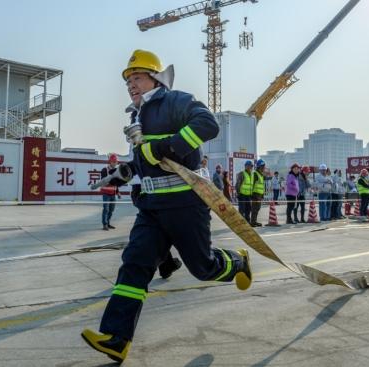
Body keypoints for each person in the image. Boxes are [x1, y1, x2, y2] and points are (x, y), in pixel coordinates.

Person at [82, 50, 252, 363]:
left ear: (156, 77)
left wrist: (163, 147)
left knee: (203, 269)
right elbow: (142, 161)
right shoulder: (136, 116)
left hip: (186, 204)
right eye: (128, 80)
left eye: (137, 77)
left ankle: (237, 263)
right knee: (134, 264)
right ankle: (117, 338)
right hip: (151, 208)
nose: (130, 84)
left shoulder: (176, 101)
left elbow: (208, 125)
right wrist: (120, 174)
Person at [129, 175, 183, 280]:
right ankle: (166, 266)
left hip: (145, 195)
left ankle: (167, 266)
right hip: (151, 196)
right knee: (159, 234)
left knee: (158, 233)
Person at [100, 154, 121, 230]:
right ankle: (105, 224)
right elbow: (103, 181)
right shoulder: (105, 170)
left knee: (111, 209)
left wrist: (118, 192)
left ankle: (108, 223)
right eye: (114, 161)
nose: (115, 163)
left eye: (116, 162)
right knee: (106, 209)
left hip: (113, 194)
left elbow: (116, 183)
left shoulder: (116, 171)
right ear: (110, 162)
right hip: (106, 193)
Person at [236, 161, 255, 225]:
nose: (251, 167)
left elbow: (251, 185)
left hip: (248, 195)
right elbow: (238, 184)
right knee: (242, 210)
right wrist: (238, 193)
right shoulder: (242, 174)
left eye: (252, 166)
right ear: (246, 166)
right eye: (250, 166)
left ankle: (247, 221)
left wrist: (252, 193)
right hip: (242, 195)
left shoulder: (252, 174)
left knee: (248, 209)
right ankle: (240, 223)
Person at [250, 159, 266, 227]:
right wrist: (252, 194)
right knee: (254, 208)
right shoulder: (255, 174)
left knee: (257, 208)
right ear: (259, 167)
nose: (264, 168)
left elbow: (261, 185)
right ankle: (252, 222)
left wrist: (262, 195)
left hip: (259, 194)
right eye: (263, 167)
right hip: (255, 194)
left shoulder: (261, 175)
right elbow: (252, 184)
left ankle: (254, 221)